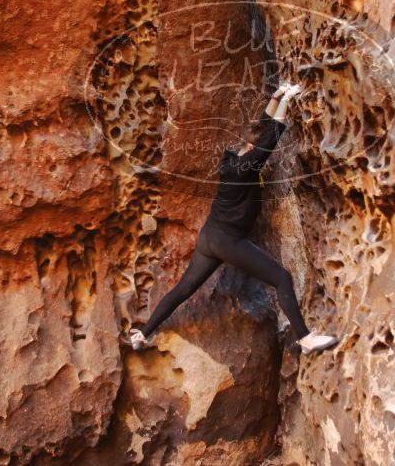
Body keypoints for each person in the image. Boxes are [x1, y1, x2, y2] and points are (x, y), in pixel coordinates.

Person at [127, 82, 339, 355]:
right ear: (252, 147)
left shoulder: (234, 159)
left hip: (210, 237)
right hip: (228, 240)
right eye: (257, 147)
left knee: (184, 289)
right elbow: (273, 134)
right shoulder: (246, 168)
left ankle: (143, 334)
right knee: (282, 279)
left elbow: (264, 127)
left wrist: (276, 96)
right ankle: (306, 339)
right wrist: (287, 99)